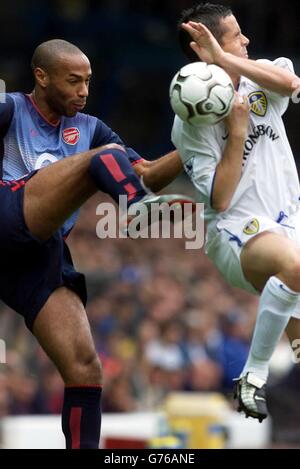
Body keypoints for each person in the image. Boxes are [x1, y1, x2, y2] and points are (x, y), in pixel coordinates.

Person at [0, 39, 187, 448]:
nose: (83, 91)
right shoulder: (12, 108)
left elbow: (147, 172)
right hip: (7, 218)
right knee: (98, 157)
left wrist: (193, 149)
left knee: (85, 368)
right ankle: (139, 212)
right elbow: (109, 162)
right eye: (73, 81)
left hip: (37, 253)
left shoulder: (90, 129)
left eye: (87, 81)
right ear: (41, 76)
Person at [171, 3, 300, 422]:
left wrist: (226, 60)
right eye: (235, 36)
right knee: (294, 266)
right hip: (235, 232)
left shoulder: (258, 73)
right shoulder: (191, 121)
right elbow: (220, 199)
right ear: (204, 46)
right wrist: (237, 131)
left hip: (289, 222)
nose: (246, 41)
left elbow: (291, 81)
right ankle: (253, 374)